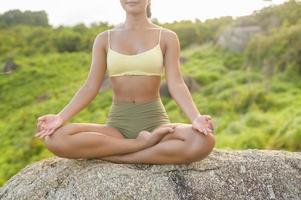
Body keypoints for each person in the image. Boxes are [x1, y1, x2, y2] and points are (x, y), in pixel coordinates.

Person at [35, 0, 215, 164]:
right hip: (117, 128)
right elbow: (90, 86)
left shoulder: (167, 37)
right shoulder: (104, 39)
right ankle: (140, 145)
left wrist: (196, 118)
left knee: (203, 141)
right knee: (55, 139)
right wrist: (60, 117)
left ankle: (118, 156)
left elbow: (176, 84)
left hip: (156, 125)